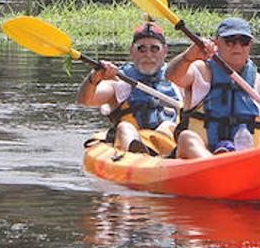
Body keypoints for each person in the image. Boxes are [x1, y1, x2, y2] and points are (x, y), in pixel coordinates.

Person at [166, 17, 260, 160]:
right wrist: (188, 57)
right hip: (202, 160)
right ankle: (216, 167)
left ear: (250, 44)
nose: (237, 46)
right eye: (230, 40)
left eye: (244, 41)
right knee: (186, 138)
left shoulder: (259, 83)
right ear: (216, 43)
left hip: (246, 162)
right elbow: (172, 75)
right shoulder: (200, 70)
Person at [78, 19, 182, 155]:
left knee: (168, 127)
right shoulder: (120, 81)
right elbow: (85, 100)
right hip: (132, 148)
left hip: (169, 145)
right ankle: (139, 153)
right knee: (125, 127)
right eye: (141, 49)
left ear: (165, 51)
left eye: (154, 48)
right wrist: (94, 78)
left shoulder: (179, 78)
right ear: (131, 51)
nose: (148, 55)